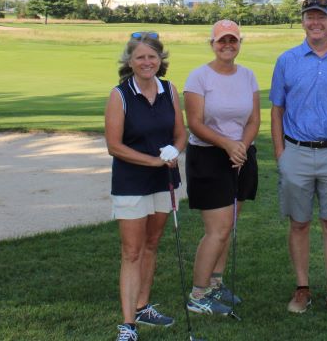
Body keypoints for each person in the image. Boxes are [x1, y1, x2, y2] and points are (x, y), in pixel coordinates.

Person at [270, 0, 327, 318]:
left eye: (321, 17)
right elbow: (277, 109)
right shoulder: (287, 60)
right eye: (310, 17)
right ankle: (302, 287)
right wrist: (281, 153)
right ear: (303, 22)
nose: (315, 23)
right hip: (295, 151)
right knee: (299, 223)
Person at [104, 32, 187, 341]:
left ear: (160, 60)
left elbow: (181, 133)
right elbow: (114, 146)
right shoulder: (120, 95)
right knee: (132, 251)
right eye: (140, 57)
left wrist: (176, 151)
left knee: (152, 245)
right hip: (131, 183)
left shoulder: (169, 90)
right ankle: (128, 325)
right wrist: (153, 161)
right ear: (130, 61)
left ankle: (142, 305)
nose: (147, 62)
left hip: (164, 181)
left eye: (152, 56)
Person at [183, 20, 261, 316]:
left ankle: (216, 284)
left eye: (233, 40)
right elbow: (196, 123)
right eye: (221, 40)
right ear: (212, 44)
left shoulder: (248, 76)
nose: (227, 45)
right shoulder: (199, 77)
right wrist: (228, 145)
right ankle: (198, 294)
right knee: (217, 230)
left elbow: (254, 119)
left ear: (240, 42)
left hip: (240, 154)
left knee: (228, 227)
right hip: (208, 156)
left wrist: (241, 145)